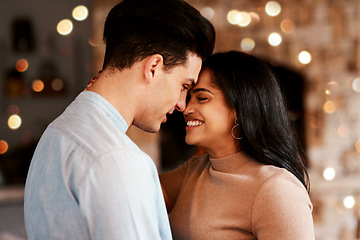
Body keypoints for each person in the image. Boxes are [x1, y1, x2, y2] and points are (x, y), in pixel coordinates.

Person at [24, 0, 215, 239]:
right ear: (153, 67)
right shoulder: (117, 159)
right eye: (183, 86)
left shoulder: (57, 132)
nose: (182, 104)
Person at [160, 51, 315, 240]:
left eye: (201, 98)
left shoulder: (276, 189)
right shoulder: (195, 170)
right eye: (189, 96)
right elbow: (132, 192)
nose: (186, 108)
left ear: (240, 110)